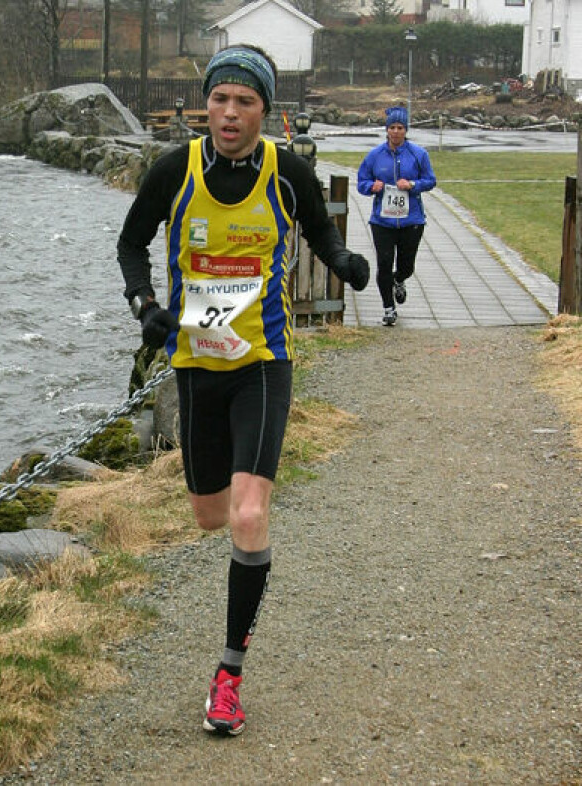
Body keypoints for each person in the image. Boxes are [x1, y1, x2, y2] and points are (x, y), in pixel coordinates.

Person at [116, 44, 370, 736]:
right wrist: (146, 305)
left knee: (250, 517)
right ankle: (235, 512)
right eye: (220, 100)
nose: (230, 114)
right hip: (197, 367)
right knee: (209, 516)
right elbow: (131, 244)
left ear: (266, 109)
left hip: (262, 359)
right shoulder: (175, 170)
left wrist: (343, 260)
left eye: (245, 102)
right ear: (207, 104)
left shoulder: (287, 172)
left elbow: (318, 230)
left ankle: (228, 676)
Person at [356, 106, 437, 326]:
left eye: (400, 127)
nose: (396, 132)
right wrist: (371, 186)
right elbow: (361, 182)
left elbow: (430, 180)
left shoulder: (418, 154)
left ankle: (399, 279)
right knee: (383, 264)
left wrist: (412, 184)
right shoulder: (375, 155)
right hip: (382, 221)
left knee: (406, 265)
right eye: (392, 127)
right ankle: (388, 308)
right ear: (386, 130)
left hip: (411, 220)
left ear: (406, 130)